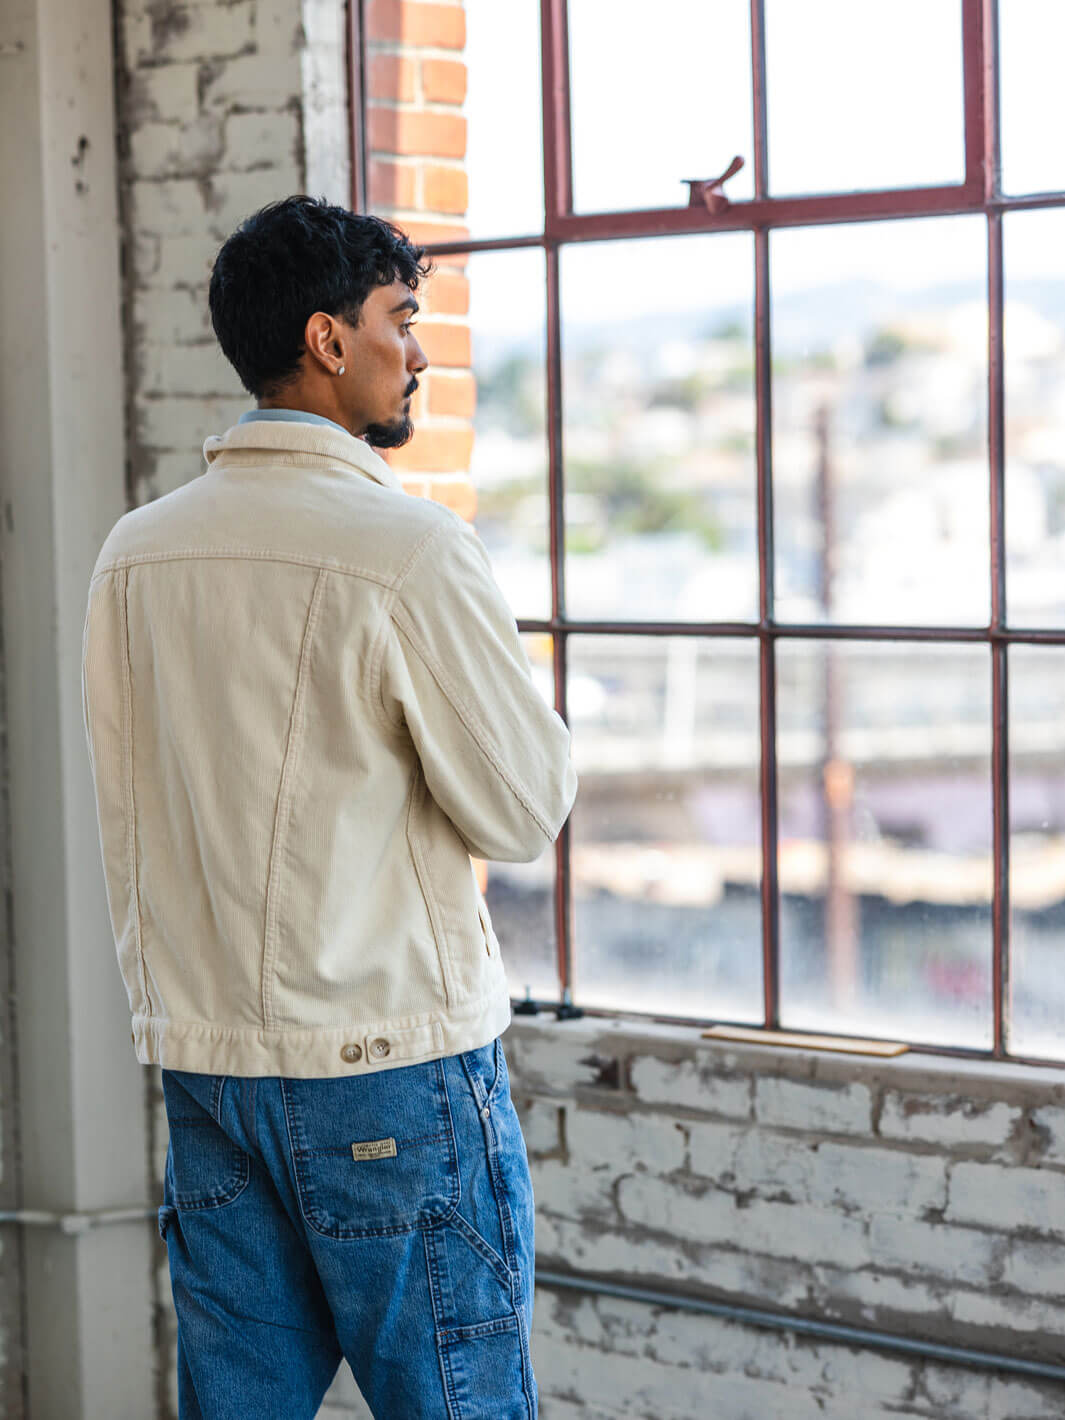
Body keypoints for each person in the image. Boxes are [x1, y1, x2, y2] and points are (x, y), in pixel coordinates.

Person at [80, 194, 578, 1419]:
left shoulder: (134, 554)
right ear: (326, 338)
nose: (417, 352)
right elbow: (522, 809)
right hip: (388, 1063)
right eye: (400, 321)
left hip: (207, 1065)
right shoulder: (405, 548)